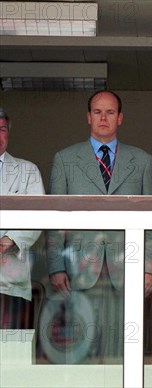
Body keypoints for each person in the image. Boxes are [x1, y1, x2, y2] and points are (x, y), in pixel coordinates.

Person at [46, 90, 152, 363]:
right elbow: (54, 219)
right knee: (81, 345)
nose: (103, 118)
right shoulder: (65, 159)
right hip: (79, 268)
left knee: (122, 347)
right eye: (97, 112)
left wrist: (149, 267)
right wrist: (56, 266)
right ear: (88, 117)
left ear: (120, 118)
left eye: (110, 112)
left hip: (126, 267)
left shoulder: (142, 161)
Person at [0, 108, 45, 329]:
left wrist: (4, 243)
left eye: (2, 129)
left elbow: (37, 217)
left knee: (10, 356)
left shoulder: (27, 171)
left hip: (11, 282)